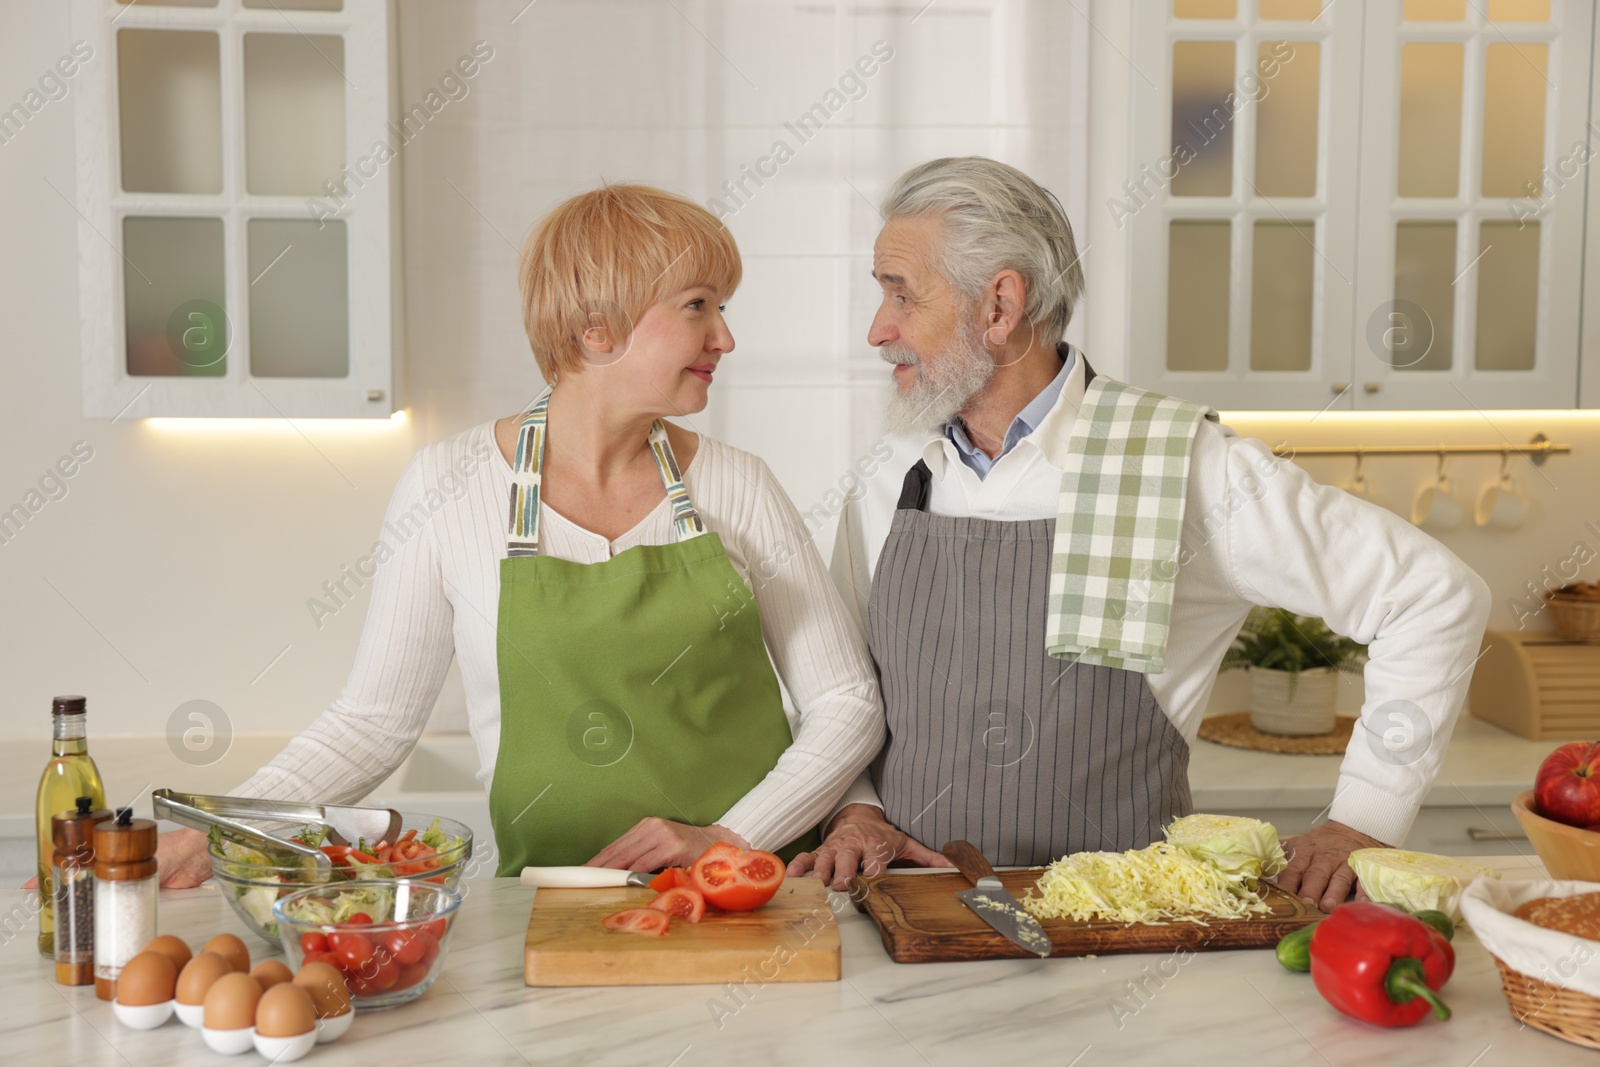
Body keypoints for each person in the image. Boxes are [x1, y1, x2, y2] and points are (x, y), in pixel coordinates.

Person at [788, 157, 1492, 913]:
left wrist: (1366, 817)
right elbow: (843, 687)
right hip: (908, 916)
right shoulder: (893, 470)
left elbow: (1433, 595)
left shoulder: (1180, 461)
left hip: (1128, 932)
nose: (878, 329)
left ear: (999, 305)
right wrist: (856, 806)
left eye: (901, 292)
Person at [155, 184, 884, 885]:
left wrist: (731, 840)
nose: (725, 336)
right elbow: (373, 721)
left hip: (754, 893)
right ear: (596, 326)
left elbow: (848, 698)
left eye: (722, 307)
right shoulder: (448, 486)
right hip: (554, 907)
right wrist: (222, 823)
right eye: (697, 306)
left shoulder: (738, 484)